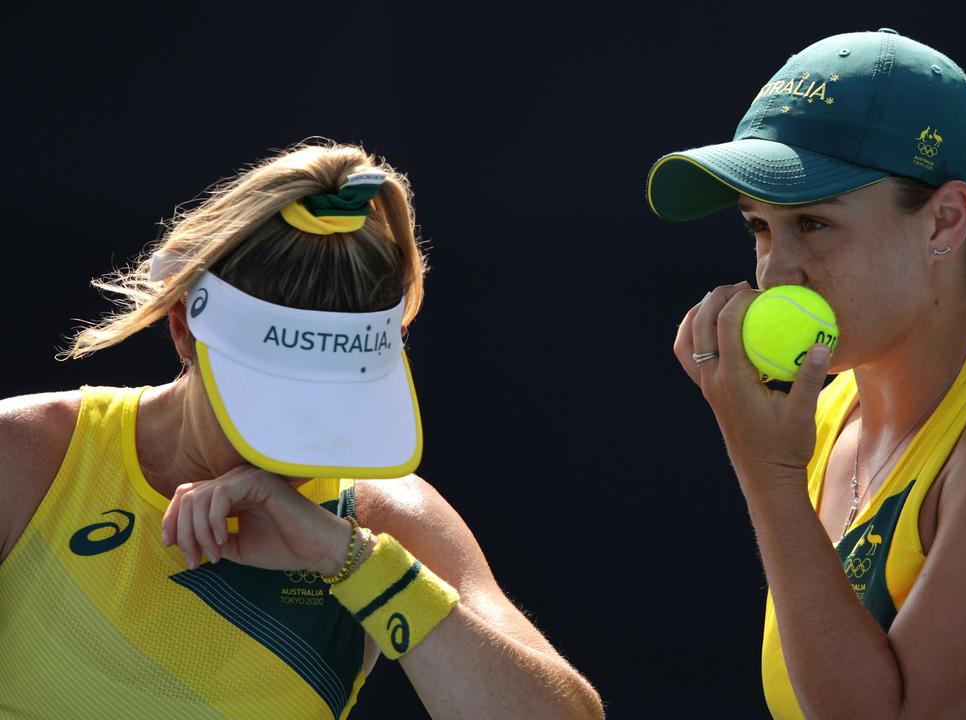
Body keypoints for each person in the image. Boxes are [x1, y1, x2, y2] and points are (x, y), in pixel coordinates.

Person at [0, 141, 604, 719]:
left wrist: (351, 561)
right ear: (184, 328)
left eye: (338, 404)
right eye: (273, 403)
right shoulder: (25, 458)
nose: (301, 446)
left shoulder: (379, 520)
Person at [648, 30, 966, 719]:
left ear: (944, 222)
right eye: (760, 228)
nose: (775, 274)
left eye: (815, 224)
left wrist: (769, 479)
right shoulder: (824, 415)